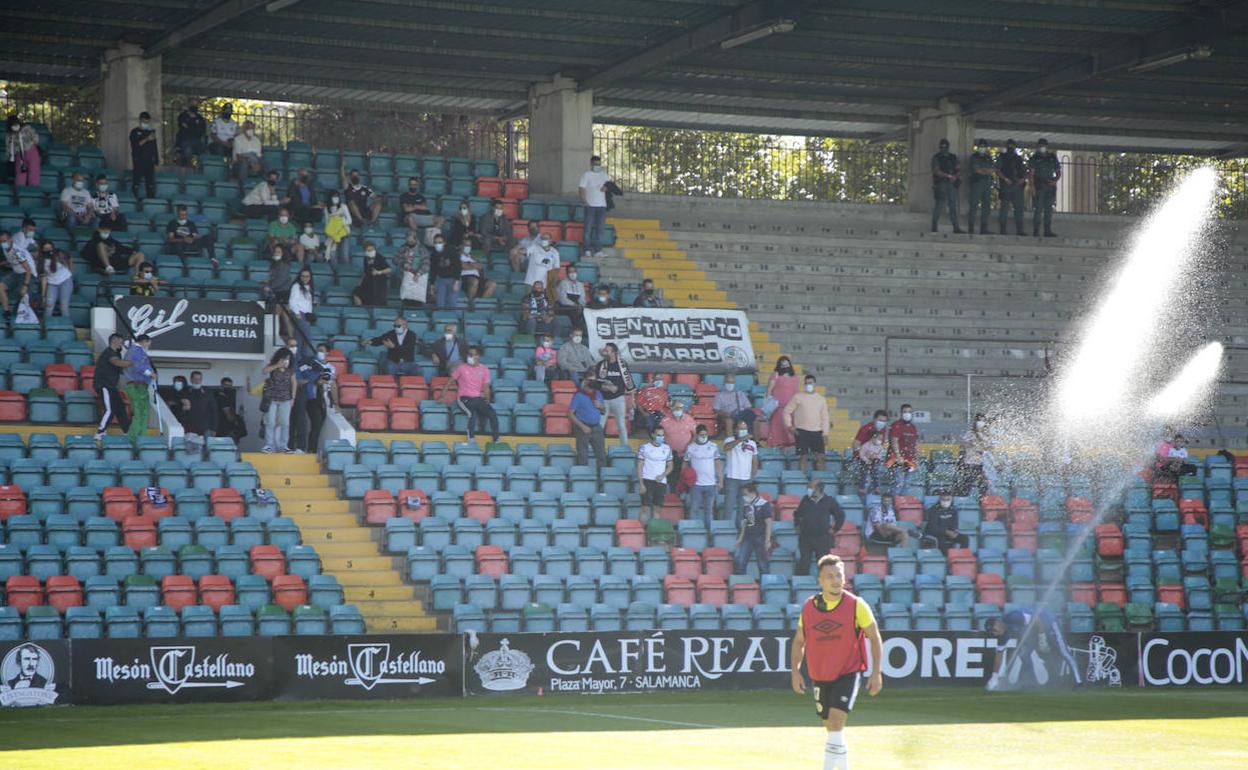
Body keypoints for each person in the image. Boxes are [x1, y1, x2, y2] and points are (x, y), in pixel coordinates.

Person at [790, 554, 884, 770]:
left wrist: (876, 672)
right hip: (820, 676)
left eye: (838, 575)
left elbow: (875, 637)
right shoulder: (808, 607)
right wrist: (795, 672)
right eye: (829, 576)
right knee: (833, 729)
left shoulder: (856, 605)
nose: (835, 580)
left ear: (844, 578)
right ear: (820, 581)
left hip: (848, 673)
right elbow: (798, 642)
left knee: (835, 722)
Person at [986, 608, 1082, 691]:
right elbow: (999, 655)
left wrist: (1042, 637)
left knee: (1064, 651)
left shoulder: (1013, 617)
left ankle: (1079, 682)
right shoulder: (1002, 634)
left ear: (998, 623)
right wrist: (994, 677)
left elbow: (1036, 619)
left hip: (1049, 623)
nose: (995, 634)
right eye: (992, 633)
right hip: (1034, 632)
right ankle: (1031, 681)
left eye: (994, 630)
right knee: (1024, 654)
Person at [441, 347, 500, 443]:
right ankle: (471, 438)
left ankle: (496, 439)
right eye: (469, 354)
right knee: (472, 413)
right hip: (464, 398)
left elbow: (486, 386)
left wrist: (487, 399)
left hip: (478, 398)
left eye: (472, 355)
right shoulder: (461, 368)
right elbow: (449, 381)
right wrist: (442, 395)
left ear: (478, 356)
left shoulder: (484, 369)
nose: (470, 356)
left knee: (492, 414)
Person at [794, 480, 845, 576]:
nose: (808, 489)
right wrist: (797, 526)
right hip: (806, 537)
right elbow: (797, 514)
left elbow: (840, 515)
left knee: (823, 564)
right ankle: (803, 585)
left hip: (823, 538)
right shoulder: (805, 499)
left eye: (810, 487)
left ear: (818, 489)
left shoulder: (829, 501)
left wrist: (835, 529)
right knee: (804, 563)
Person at [591, 343, 636, 446]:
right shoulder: (600, 365)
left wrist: (633, 400)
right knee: (600, 425)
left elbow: (629, 383)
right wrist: (605, 387)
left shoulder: (622, 365)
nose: (605, 352)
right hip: (603, 400)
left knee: (621, 425)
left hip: (618, 399)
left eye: (607, 350)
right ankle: (595, 446)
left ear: (614, 353)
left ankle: (624, 447)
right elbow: (595, 383)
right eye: (605, 350)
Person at [784, 374, 830, 473]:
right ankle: (802, 481)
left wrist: (825, 433)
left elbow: (825, 417)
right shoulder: (797, 397)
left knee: (820, 457)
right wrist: (789, 425)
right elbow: (786, 411)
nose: (808, 385)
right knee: (802, 457)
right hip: (801, 431)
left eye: (810, 383)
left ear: (814, 384)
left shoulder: (821, 399)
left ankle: (821, 481)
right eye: (806, 383)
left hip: (817, 432)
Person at [93, 333, 132, 440]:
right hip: (104, 385)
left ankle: (127, 431)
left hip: (112, 386)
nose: (122, 344)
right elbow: (117, 363)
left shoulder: (117, 354)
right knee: (109, 409)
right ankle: (100, 432)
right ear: (114, 340)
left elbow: (121, 370)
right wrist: (133, 362)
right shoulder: (108, 352)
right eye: (120, 341)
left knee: (120, 408)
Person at [300, 343, 338, 454]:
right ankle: (311, 450)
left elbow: (333, 384)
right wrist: (317, 382)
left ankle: (314, 448)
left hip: (325, 400)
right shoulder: (312, 364)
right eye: (318, 350)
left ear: (327, 352)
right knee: (315, 424)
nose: (319, 352)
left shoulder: (332, 368)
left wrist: (336, 403)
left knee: (318, 425)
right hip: (313, 398)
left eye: (321, 350)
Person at [722, 419, 759, 528]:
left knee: (742, 508)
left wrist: (752, 478)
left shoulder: (752, 444)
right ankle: (726, 530)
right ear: (735, 430)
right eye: (740, 428)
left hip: (746, 480)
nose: (743, 430)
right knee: (728, 506)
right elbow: (726, 448)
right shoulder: (729, 440)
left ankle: (739, 531)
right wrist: (740, 440)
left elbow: (755, 462)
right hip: (732, 478)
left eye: (745, 428)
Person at [684, 424, 722, 530]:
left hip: (711, 484)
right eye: (701, 434)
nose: (704, 436)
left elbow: (718, 464)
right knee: (694, 509)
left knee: (709, 511)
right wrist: (685, 478)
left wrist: (720, 480)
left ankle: (709, 533)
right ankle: (693, 532)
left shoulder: (714, 446)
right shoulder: (691, 447)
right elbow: (685, 464)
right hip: (696, 485)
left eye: (705, 434)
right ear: (697, 435)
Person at [956, 412, 999, 497]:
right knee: (967, 483)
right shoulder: (970, 433)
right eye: (979, 420)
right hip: (970, 462)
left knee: (983, 484)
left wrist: (984, 448)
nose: (981, 422)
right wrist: (972, 444)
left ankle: (982, 500)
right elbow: (962, 446)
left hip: (982, 464)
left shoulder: (987, 434)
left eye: (983, 420)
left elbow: (991, 448)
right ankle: (963, 499)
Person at [261, 348, 296, 453]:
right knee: (270, 422)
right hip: (272, 398)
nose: (286, 361)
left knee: (285, 423)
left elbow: (294, 384)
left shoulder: (290, 370)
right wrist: (277, 365)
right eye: (284, 358)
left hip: (286, 399)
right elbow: (264, 371)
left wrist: (293, 397)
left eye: (288, 359)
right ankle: (269, 445)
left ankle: (283, 445)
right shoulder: (273, 367)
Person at [636, 428, 673, 525]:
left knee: (657, 509)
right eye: (658, 435)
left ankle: (653, 534)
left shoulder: (667, 448)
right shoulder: (644, 447)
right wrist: (641, 483)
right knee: (645, 508)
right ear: (653, 435)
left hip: (661, 482)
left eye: (662, 435)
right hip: (647, 480)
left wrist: (663, 475)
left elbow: (670, 466)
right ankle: (641, 532)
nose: (660, 437)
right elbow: (639, 466)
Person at [123, 334, 156, 442]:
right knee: (139, 412)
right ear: (144, 341)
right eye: (148, 342)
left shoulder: (138, 351)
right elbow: (138, 365)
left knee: (143, 411)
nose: (149, 345)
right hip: (136, 385)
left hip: (140, 385)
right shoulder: (136, 351)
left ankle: (142, 436)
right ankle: (133, 438)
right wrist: (150, 373)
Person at [734, 483, 772, 575]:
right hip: (748, 536)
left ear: (752, 493)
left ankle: (764, 585)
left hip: (760, 536)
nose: (744, 497)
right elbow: (745, 522)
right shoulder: (746, 505)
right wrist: (740, 538)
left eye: (746, 494)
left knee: (762, 563)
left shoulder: (764, 504)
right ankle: (741, 583)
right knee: (741, 560)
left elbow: (768, 523)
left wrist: (767, 540)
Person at [0, 230, 38, 320]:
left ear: (10, 240)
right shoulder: (5, 249)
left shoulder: (17, 252)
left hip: (28, 274)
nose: (2, 243)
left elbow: (28, 269)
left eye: (4, 241)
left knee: (22, 295)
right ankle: (6, 311)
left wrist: (25, 286)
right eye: (0, 242)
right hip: (17, 272)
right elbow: (11, 260)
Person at [569, 376, 606, 467]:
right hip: (583, 427)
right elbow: (570, 414)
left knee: (601, 454)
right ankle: (583, 477)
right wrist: (582, 426)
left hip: (597, 427)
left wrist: (601, 406)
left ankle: (601, 476)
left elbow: (603, 411)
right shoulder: (578, 395)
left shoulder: (598, 394)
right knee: (583, 455)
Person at [578, 154, 610, 258]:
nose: (597, 166)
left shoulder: (604, 175)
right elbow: (581, 189)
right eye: (595, 164)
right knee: (588, 228)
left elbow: (608, 187)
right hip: (590, 205)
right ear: (591, 164)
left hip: (602, 205)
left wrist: (605, 189)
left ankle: (598, 251)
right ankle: (587, 249)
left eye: (599, 164)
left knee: (600, 229)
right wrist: (584, 201)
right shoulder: (586, 175)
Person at [1028, 137, 1061, 237]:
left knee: (1048, 210)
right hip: (1039, 186)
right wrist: (1032, 186)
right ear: (1038, 147)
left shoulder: (1052, 157)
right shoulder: (1034, 158)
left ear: (1046, 146)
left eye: (1043, 145)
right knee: (1038, 209)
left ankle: (1047, 230)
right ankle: (1036, 230)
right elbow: (1031, 174)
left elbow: (1058, 172)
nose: (1042, 147)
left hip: (1049, 186)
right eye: (1040, 146)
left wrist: (1055, 181)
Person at [660, 398, 697, 487]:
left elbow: (695, 435)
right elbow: (661, 436)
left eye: (680, 407)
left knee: (684, 476)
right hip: (670, 455)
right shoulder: (664, 421)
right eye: (675, 407)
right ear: (671, 408)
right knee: (671, 476)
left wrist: (689, 446)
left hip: (685, 454)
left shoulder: (689, 419)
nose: (678, 409)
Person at [931, 137, 963, 234]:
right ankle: (934, 226)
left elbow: (958, 168)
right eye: (942, 147)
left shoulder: (953, 157)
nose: (943, 148)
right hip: (941, 183)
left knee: (953, 205)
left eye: (945, 147)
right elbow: (936, 171)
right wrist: (949, 176)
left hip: (951, 184)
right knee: (939, 205)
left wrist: (955, 176)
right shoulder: (936, 157)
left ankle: (956, 227)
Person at [261, 245, 294, 337]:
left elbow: (281, 280)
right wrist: (268, 282)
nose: (276, 253)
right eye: (275, 251)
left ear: (283, 254)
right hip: (278, 292)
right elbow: (275, 278)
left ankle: (274, 337)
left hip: (282, 293)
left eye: (278, 252)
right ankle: (290, 338)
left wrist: (270, 286)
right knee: (284, 317)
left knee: (276, 316)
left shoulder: (284, 265)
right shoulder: (275, 264)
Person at [887, 404, 920, 497]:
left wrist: (916, 457)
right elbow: (894, 441)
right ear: (901, 413)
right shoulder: (896, 425)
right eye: (905, 412)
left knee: (907, 483)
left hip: (910, 459)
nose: (907, 414)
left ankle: (902, 504)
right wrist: (898, 456)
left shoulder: (913, 427)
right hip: (896, 459)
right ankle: (893, 503)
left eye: (909, 412)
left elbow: (915, 443)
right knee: (899, 482)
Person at [995, 138, 1026, 235]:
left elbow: (1024, 172)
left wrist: (1022, 179)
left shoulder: (1018, 158)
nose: (1011, 147)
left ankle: (1020, 230)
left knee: (1019, 208)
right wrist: (1005, 179)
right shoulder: (1002, 157)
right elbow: (998, 171)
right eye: (1009, 146)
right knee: (1004, 208)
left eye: (1012, 146)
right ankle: (1003, 230)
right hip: (1006, 185)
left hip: (1017, 186)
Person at [766, 356, 799, 448]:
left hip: (791, 408)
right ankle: (776, 444)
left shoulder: (795, 377)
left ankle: (791, 444)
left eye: (787, 364)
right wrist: (768, 402)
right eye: (782, 365)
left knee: (789, 426)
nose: (785, 367)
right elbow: (769, 390)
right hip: (778, 407)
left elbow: (796, 392)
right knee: (777, 425)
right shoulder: (775, 375)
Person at [181, 370, 217, 451]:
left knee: (207, 451)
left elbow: (214, 412)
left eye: (199, 379)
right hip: (189, 428)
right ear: (191, 379)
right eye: (195, 379)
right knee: (190, 452)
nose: (197, 381)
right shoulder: (185, 393)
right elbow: (180, 412)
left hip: (205, 428)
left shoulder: (208, 394)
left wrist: (214, 428)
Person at [38, 240, 73, 319]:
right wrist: (43, 295)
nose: (48, 250)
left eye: (50, 248)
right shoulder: (41, 260)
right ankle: (46, 326)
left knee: (64, 306)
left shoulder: (58, 254)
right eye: (46, 249)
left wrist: (70, 271)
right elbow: (44, 278)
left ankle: (66, 326)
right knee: (49, 305)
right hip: (52, 283)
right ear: (42, 250)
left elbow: (70, 258)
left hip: (65, 281)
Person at [712, 372, 755, 438]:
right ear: (724, 382)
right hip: (729, 415)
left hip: (742, 414)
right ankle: (730, 440)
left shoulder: (740, 394)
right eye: (728, 382)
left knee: (755, 420)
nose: (730, 384)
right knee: (729, 421)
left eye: (732, 382)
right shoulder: (719, 395)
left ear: (735, 383)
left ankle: (756, 441)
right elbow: (716, 410)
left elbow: (748, 407)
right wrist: (724, 414)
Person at [966, 138, 995, 236]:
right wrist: (985, 170)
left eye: (984, 146)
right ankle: (971, 227)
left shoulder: (988, 157)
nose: (982, 148)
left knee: (986, 206)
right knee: (974, 205)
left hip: (986, 184)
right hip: (977, 183)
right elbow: (976, 170)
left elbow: (992, 170)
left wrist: (984, 170)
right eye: (981, 146)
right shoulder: (974, 157)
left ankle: (984, 228)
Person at [129, 111, 158, 200]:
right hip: (139, 160)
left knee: (150, 183)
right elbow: (135, 145)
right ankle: (134, 199)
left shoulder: (151, 132)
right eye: (145, 121)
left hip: (149, 161)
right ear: (140, 120)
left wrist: (156, 159)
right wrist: (147, 139)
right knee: (136, 182)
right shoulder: (134, 132)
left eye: (148, 122)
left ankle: (150, 200)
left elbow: (154, 147)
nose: (146, 124)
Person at [6, 115, 41, 187]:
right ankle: (20, 191)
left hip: (31, 151)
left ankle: (33, 190)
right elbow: (9, 148)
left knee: (33, 172)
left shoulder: (27, 128)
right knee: (21, 175)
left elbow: (36, 138)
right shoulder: (9, 135)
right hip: (20, 154)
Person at [287, 267, 316, 351]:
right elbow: (292, 301)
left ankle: (297, 359)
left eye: (307, 276)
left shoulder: (309, 287)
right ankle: (304, 356)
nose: (305, 278)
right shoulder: (296, 286)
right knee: (307, 337)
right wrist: (297, 312)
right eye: (303, 276)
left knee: (299, 338)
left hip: (306, 314)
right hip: (300, 313)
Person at [429, 233, 461, 309]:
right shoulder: (433, 254)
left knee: (452, 302)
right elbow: (433, 270)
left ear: (444, 243)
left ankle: (452, 319)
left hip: (453, 279)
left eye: (440, 242)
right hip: (441, 280)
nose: (437, 244)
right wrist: (432, 285)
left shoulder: (451, 250)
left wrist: (456, 282)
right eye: (435, 243)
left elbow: (458, 266)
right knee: (439, 303)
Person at [353, 242, 390, 307]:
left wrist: (379, 272)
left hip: (378, 284)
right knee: (356, 294)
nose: (370, 252)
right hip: (368, 282)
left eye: (372, 250)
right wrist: (360, 281)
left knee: (376, 302)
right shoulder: (365, 258)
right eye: (368, 250)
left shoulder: (379, 257)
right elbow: (365, 272)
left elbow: (389, 269)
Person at [458, 241, 495, 306]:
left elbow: (481, 267)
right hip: (465, 278)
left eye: (469, 246)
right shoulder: (458, 256)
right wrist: (474, 266)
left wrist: (470, 264)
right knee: (474, 281)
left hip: (477, 277)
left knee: (492, 284)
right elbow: (463, 266)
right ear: (461, 246)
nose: (468, 247)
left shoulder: (473, 257)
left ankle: (479, 304)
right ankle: (470, 304)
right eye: (466, 245)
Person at [174, 99, 207, 167]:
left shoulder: (200, 118)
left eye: (196, 104)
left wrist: (190, 127)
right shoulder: (183, 116)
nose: (194, 106)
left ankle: (200, 169)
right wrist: (194, 128)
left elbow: (202, 131)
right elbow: (183, 127)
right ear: (189, 105)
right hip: (185, 139)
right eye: (193, 104)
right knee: (187, 150)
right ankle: (186, 168)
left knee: (204, 152)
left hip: (197, 140)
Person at [214, 376, 246, 443]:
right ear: (221, 385)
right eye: (226, 385)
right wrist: (236, 422)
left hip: (220, 429)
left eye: (230, 386)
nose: (228, 387)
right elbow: (228, 415)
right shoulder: (222, 398)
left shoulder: (224, 397)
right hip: (225, 430)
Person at [855, 430, 886, 498]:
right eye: (879, 439)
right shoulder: (865, 445)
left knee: (876, 473)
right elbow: (861, 455)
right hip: (865, 462)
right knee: (864, 474)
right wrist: (867, 460)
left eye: (881, 439)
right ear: (873, 438)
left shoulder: (880, 446)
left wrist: (876, 457)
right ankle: (862, 488)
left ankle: (876, 487)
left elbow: (880, 455)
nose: (880, 440)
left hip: (875, 462)